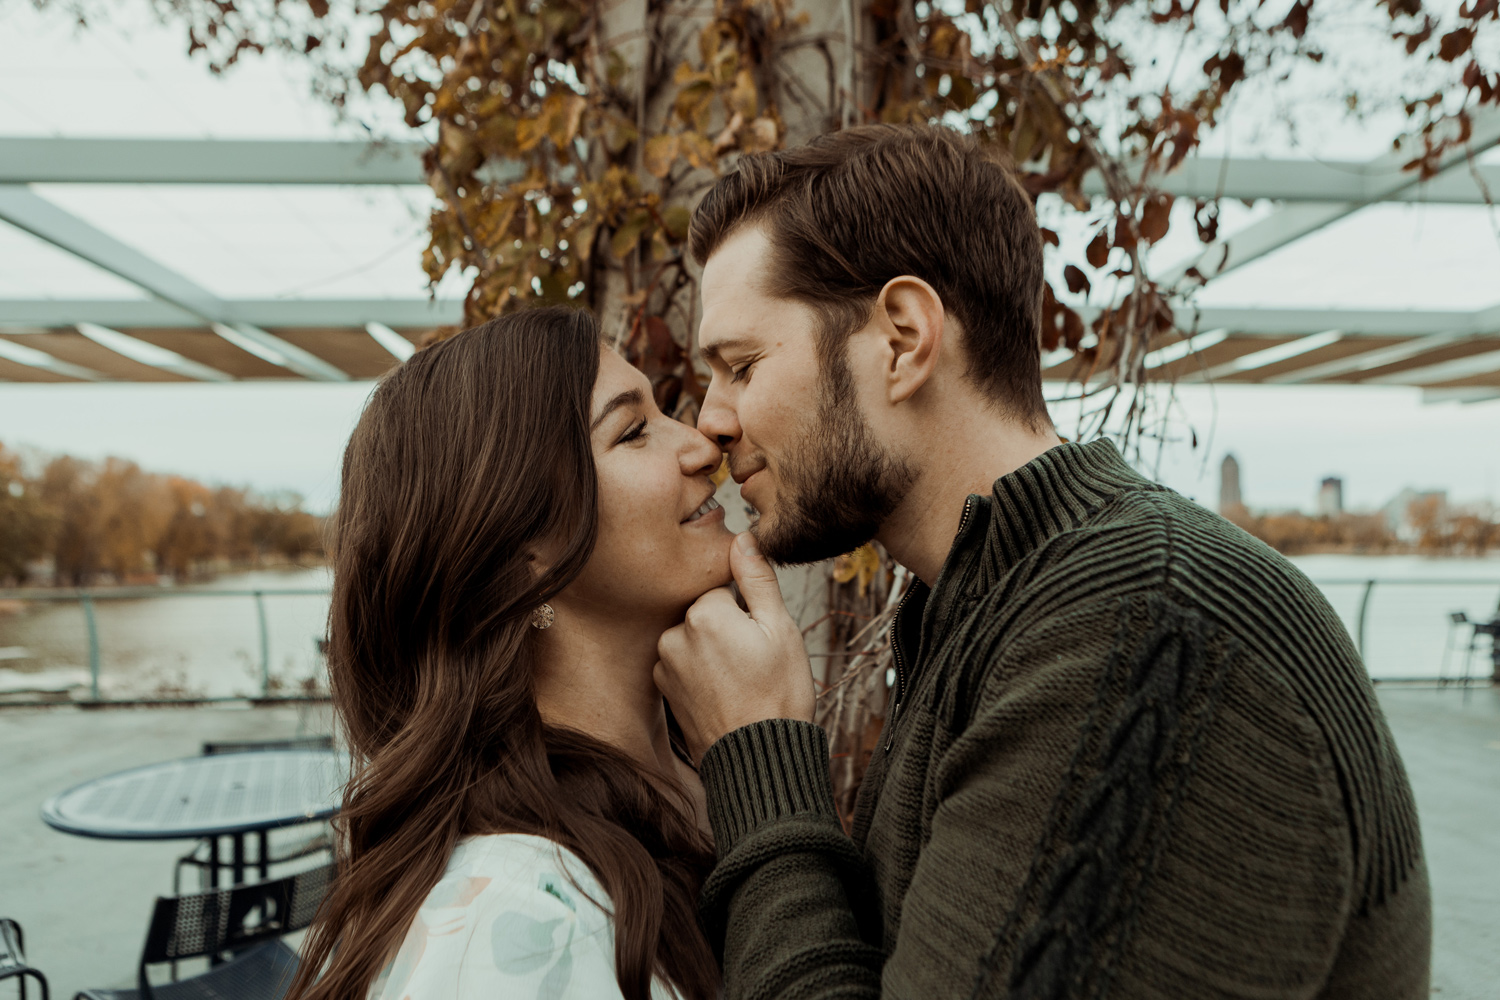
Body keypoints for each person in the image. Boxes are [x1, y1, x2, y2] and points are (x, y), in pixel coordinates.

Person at [653, 124, 1432, 998]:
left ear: (903, 339)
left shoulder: (1144, 629)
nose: (711, 423)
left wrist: (759, 759)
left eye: (742, 365)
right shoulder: (1000, 609)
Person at [287, 307, 727, 1000]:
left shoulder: (708, 771)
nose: (701, 445)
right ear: (526, 550)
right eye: (635, 431)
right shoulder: (520, 922)